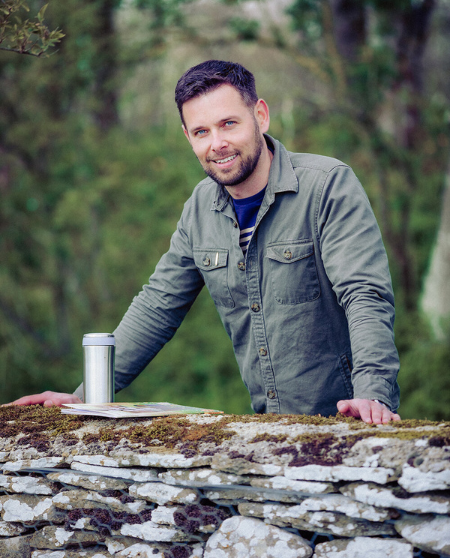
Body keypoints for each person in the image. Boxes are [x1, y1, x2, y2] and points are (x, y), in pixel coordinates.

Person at [12, 60, 401, 424]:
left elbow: (365, 293)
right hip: (268, 427)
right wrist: (82, 397)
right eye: (202, 132)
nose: (217, 143)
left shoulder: (326, 185)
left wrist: (372, 393)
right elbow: (157, 306)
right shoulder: (200, 208)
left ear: (260, 116)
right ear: (188, 137)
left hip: (348, 420)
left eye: (228, 123)